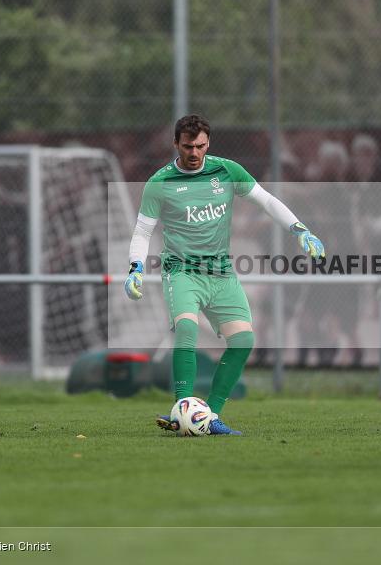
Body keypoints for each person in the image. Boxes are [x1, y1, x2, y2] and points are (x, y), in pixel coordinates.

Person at [124, 114, 325, 435]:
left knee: (243, 340)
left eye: (200, 146)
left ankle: (210, 416)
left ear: (208, 144)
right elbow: (142, 231)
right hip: (182, 271)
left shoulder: (227, 171)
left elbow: (266, 201)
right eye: (188, 146)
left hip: (220, 273)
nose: (194, 152)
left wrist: (299, 229)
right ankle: (182, 411)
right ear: (176, 144)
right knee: (186, 329)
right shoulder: (159, 183)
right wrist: (135, 267)